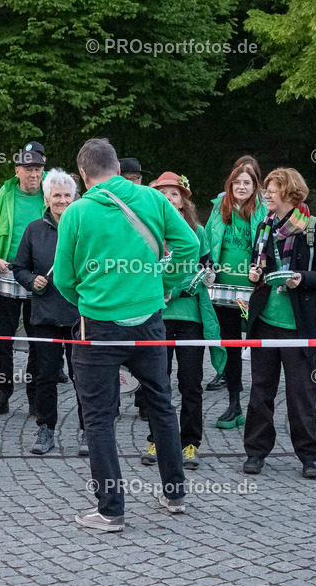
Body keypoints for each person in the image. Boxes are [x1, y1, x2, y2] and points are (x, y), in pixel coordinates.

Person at [55, 138, 198, 532]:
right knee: (162, 405)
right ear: (117, 167)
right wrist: (165, 282)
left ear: (83, 174)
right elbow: (190, 243)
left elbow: (64, 279)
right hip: (150, 318)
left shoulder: (77, 212)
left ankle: (111, 510)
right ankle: (175, 493)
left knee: (99, 418)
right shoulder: (152, 200)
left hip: (98, 326)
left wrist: (89, 300)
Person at [242, 168, 316, 477]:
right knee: (260, 392)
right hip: (266, 321)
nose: (266, 194)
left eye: (273, 189)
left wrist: (300, 278)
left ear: (291, 193)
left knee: (301, 395)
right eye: (266, 189)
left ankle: (310, 456)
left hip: (300, 325)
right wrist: (253, 274)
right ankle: (255, 452)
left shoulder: (313, 229)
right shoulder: (263, 227)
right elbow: (256, 267)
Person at [139, 171, 225, 471]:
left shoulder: (197, 232)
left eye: (173, 193)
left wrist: (172, 288)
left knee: (190, 384)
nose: (167, 198)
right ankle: (157, 438)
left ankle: (190, 443)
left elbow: (204, 270)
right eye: (161, 193)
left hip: (189, 317)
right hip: (156, 317)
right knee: (156, 383)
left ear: (183, 200)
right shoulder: (146, 231)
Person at [11, 169, 85, 455]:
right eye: (57, 195)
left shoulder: (83, 226)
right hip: (44, 314)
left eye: (67, 195)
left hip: (79, 313)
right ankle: (46, 429)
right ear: (47, 197)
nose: (63, 201)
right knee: (45, 375)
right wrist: (32, 281)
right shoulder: (34, 230)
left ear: (75, 197)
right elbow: (19, 268)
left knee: (83, 375)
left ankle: (87, 430)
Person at [0, 142, 47, 419]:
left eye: (38, 169)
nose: (34, 174)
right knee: (3, 341)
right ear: (17, 170)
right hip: (6, 275)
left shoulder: (50, 196)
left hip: (38, 279)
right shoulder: (3, 196)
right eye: (28, 168)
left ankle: (35, 397)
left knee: (38, 341)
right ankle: (1, 395)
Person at [205, 160, 267, 429]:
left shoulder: (264, 211)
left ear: (255, 186)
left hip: (255, 291)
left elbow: (271, 248)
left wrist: (261, 271)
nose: (241, 187)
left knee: (258, 347)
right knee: (229, 346)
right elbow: (206, 242)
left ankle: (260, 405)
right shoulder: (219, 209)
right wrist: (207, 268)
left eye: (247, 183)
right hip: (222, 290)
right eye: (237, 182)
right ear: (229, 185)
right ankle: (234, 404)